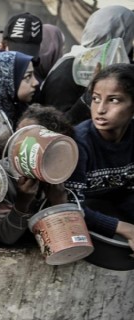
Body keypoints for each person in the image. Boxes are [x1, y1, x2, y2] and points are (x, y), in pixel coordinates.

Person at [64, 64, 134, 252]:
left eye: (114, 100)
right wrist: (126, 229)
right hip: (84, 220)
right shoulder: (78, 143)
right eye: (95, 99)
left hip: (113, 208)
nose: (100, 109)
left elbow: (128, 193)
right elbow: (70, 204)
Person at [38, 6, 134, 124]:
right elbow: (57, 125)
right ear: (124, 34)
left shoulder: (105, 65)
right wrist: (90, 95)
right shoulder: (73, 67)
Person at [0, 104, 72, 245]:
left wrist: (59, 203)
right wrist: (22, 203)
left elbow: (68, 239)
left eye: (29, 140)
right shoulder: (3, 174)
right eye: (18, 135)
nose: (17, 145)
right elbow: (5, 237)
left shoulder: (62, 172)